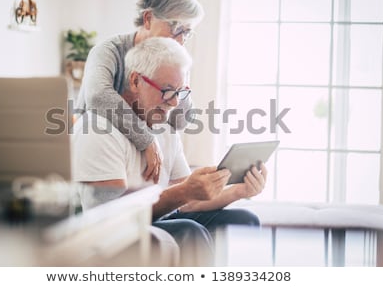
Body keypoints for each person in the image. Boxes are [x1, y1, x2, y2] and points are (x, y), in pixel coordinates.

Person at [72, 37, 267, 266]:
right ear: (135, 81)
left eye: (180, 92)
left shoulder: (165, 129)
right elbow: (111, 218)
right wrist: (184, 192)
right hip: (109, 235)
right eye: (167, 91)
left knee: (245, 220)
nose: (174, 103)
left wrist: (238, 191)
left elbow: (188, 202)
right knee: (188, 231)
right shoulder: (98, 129)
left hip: (154, 219)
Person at [75, 0, 204, 184]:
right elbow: (98, 96)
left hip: (137, 164)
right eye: (176, 27)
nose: (181, 39)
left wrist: (179, 80)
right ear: (148, 18)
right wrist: (147, 139)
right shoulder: (108, 51)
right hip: (98, 153)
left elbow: (180, 120)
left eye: (186, 32)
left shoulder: (174, 59)